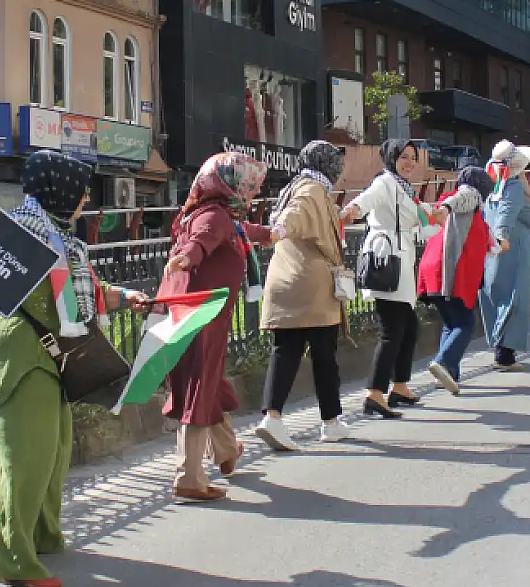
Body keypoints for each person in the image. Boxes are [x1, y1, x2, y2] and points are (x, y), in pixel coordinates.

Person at [0, 151, 151, 587]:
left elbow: (82, 295)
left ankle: (40, 534)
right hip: (19, 358)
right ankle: (10, 558)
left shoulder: (63, 240)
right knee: (26, 461)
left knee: (54, 452)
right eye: (78, 191)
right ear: (58, 191)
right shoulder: (17, 233)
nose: (83, 199)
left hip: (52, 355)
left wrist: (123, 297)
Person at [160, 153, 273, 502]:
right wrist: (187, 257)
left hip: (194, 315)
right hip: (202, 317)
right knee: (199, 389)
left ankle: (225, 452)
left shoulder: (217, 214)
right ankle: (189, 476)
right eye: (247, 184)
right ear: (228, 184)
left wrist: (275, 233)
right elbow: (202, 242)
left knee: (208, 383)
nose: (252, 191)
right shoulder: (214, 216)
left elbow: (244, 232)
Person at [255, 141, 351, 448]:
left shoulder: (296, 186)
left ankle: (273, 417)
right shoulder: (312, 189)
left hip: (285, 278)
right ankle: (331, 421)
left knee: (286, 350)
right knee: (325, 355)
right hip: (312, 283)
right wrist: (278, 231)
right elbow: (296, 216)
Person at [343, 139, 432, 419]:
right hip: (387, 263)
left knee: (408, 328)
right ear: (391, 158)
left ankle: (400, 385)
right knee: (392, 331)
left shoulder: (406, 190)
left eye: (413, 158)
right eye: (403, 157)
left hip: (401, 264)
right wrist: (348, 213)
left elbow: (422, 220)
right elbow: (362, 202)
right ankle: (375, 392)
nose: (409, 162)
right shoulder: (385, 183)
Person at [418, 166, 492, 395]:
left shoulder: (472, 214)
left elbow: (486, 238)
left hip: (434, 267)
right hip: (450, 270)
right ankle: (443, 362)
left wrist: (498, 244)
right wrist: (446, 207)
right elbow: (463, 195)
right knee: (465, 324)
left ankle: (448, 373)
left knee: (451, 323)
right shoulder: (470, 196)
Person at [480, 140, 530, 371]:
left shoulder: (495, 185)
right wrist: (503, 236)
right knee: (515, 295)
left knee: (496, 293)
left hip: (494, 248)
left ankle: (500, 349)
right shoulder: (512, 185)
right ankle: (505, 354)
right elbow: (507, 213)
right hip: (513, 247)